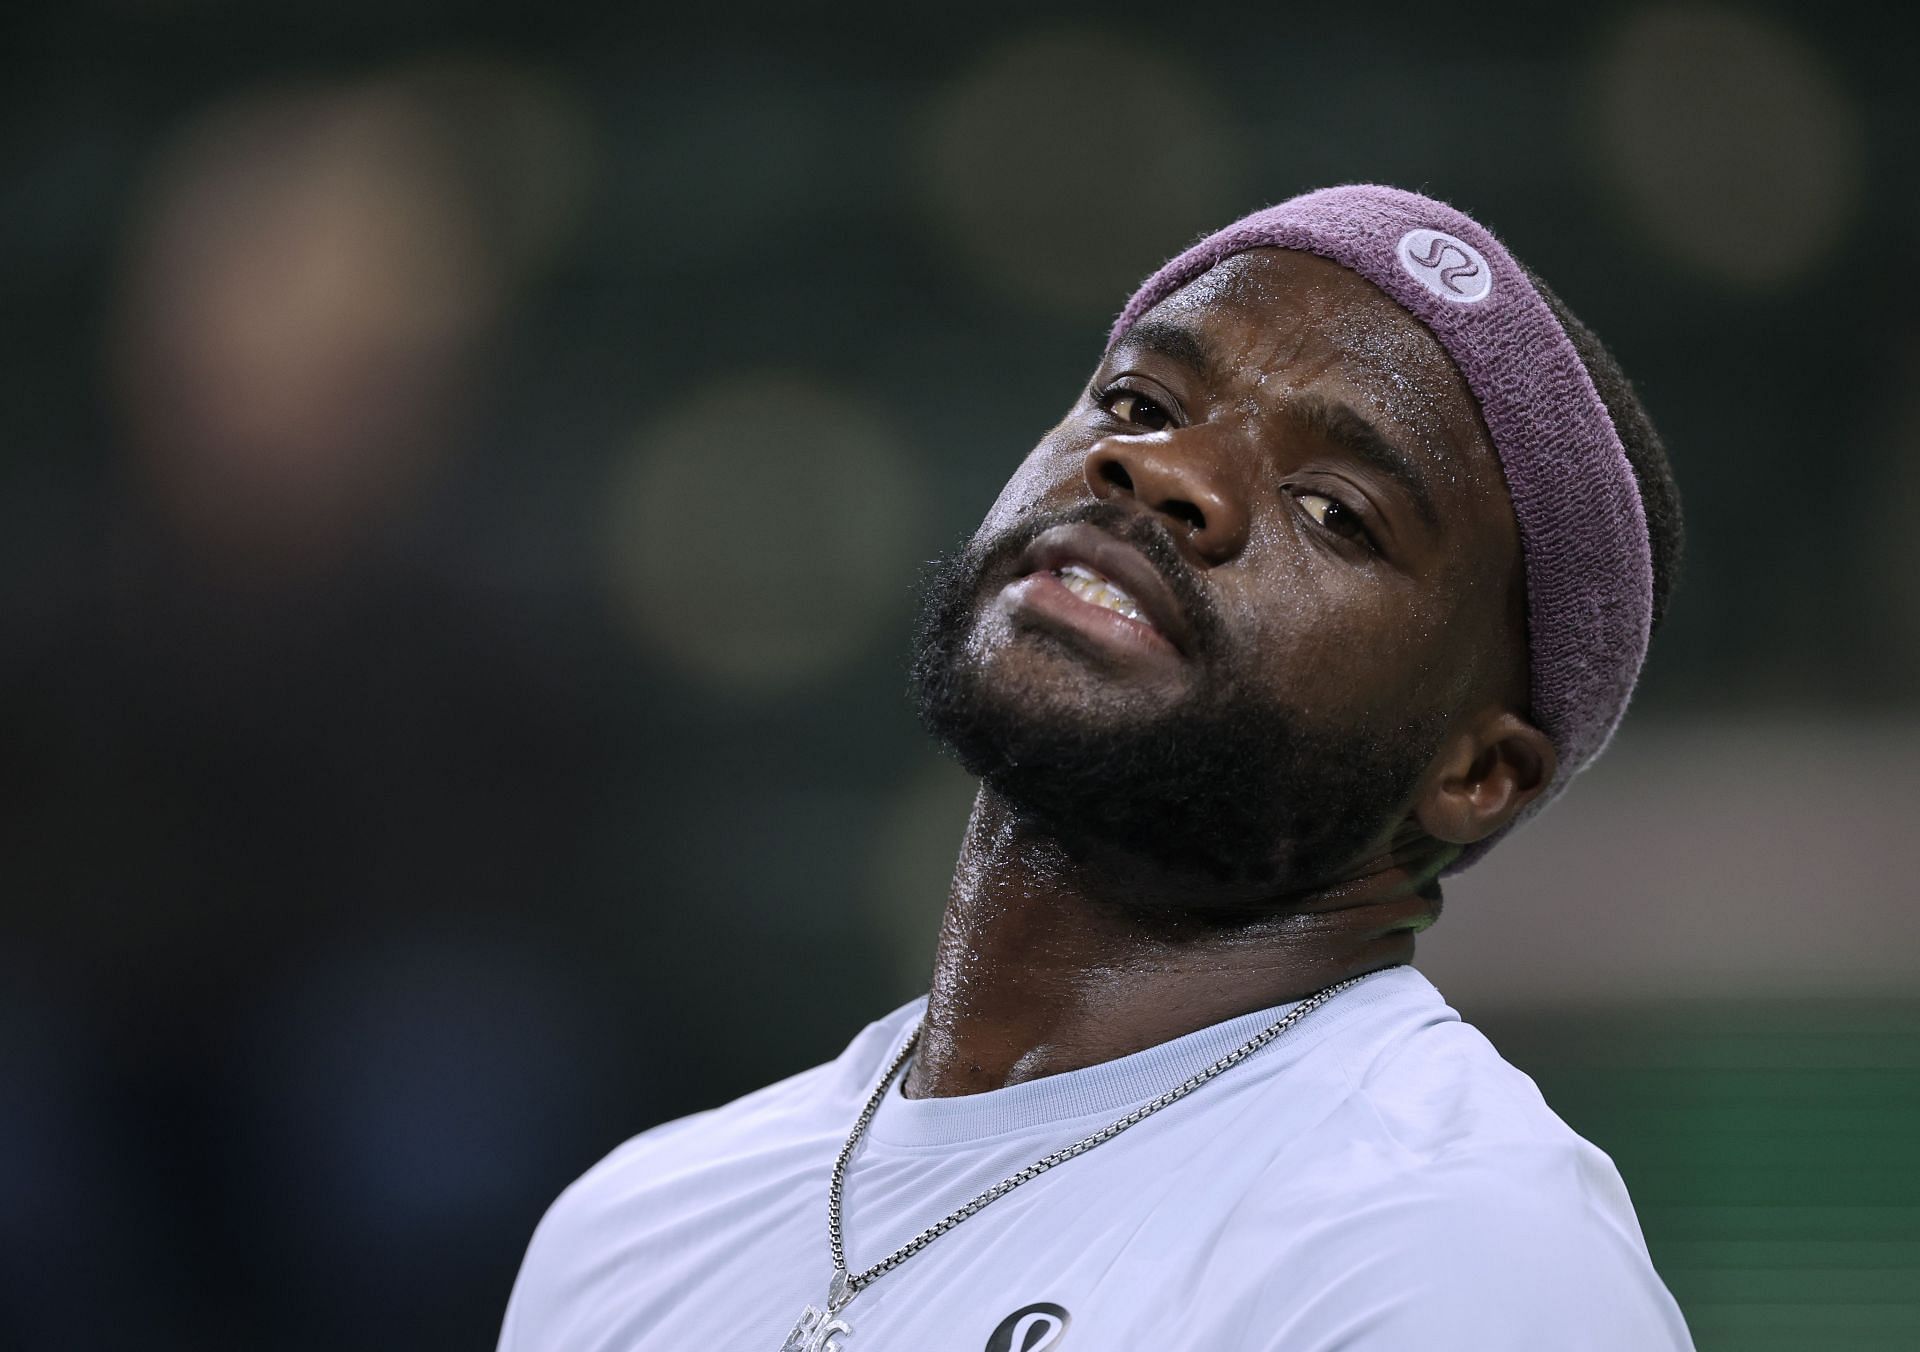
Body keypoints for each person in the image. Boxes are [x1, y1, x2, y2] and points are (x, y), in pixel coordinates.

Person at [496, 185, 1695, 1351]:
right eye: (1135, 400)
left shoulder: (1454, 1254)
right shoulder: (629, 1226)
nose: (1166, 468)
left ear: (1478, 772)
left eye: (1334, 510)